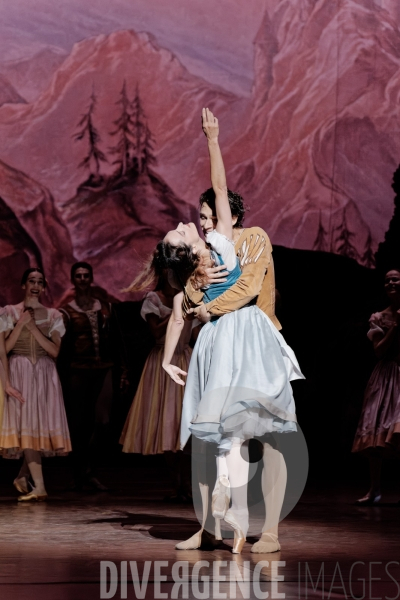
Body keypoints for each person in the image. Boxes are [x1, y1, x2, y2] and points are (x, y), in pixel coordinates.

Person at [159, 108, 304, 553]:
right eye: (195, 222)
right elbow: (178, 314)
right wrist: (170, 353)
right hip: (217, 344)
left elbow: (248, 288)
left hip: (251, 337)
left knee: (272, 431)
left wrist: (213, 140)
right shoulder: (193, 271)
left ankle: (270, 530)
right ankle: (211, 526)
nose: (197, 222)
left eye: (202, 217)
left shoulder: (245, 238)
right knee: (213, 438)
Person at [120, 270, 195, 500]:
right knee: (166, 424)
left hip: (185, 359)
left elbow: (196, 331)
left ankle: (188, 485)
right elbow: (154, 330)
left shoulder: (190, 297)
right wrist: (176, 312)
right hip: (163, 361)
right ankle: (177, 484)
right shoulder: (154, 299)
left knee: (188, 425)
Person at [0, 268, 71, 501]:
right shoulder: (9, 312)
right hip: (19, 372)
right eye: (31, 281)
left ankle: (24, 477)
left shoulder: (53, 315)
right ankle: (38, 486)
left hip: (44, 373)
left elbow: (54, 350)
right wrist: (21, 324)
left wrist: (32, 328)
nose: (36, 285)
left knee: (36, 430)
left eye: (40, 282)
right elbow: (6, 350)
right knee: (28, 428)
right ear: (23, 284)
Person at [59, 262, 128, 491]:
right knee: (79, 422)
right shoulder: (66, 311)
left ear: (91, 278)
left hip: (103, 368)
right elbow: (64, 346)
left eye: (86, 275)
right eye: (78, 275)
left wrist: (123, 369)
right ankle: (81, 472)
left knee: (103, 420)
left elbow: (117, 340)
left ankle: (90, 468)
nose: (82, 279)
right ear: (73, 280)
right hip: (78, 370)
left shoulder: (105, 307)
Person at [352, 268, 400, 504]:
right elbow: (380, 351)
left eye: (396, 279)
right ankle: (375, 489)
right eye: (387, 279)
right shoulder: (379, 317)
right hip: (387, 375)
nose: (391, 282)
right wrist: (396, 326)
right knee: (376, 434)